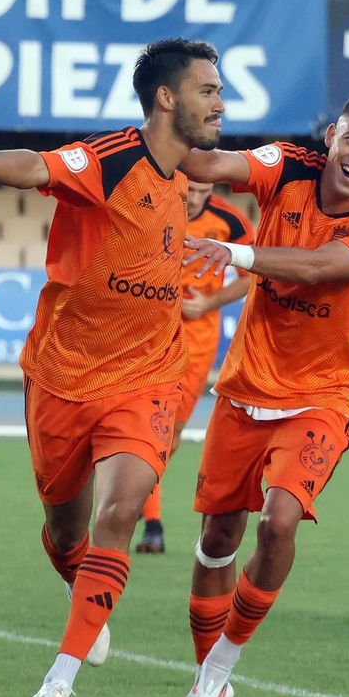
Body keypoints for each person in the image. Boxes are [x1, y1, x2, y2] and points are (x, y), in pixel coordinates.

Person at [0, 38, 220, 697]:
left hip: (149, 376)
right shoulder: (111, 158)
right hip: (62, 376)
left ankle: (56, 687)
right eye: (208, 90)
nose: (220, 102)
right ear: (165, 97)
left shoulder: (197, 175)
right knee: (66, 531)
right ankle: (79, 588)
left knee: (119, 515)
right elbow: (36, 166)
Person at [166, 92, 349, 697]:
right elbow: (210, 165)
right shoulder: (288, 166)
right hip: (245, 386)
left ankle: (220, 668)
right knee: (218, 539)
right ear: (333, 135)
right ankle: (204, 683)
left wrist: (238, 255)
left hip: (321, 395)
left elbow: (319, 267)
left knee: (278, 523)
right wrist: (165, 128)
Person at [134, 181, 254, 555]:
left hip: (197, 346)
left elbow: (254, 275)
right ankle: (152, 522)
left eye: (205, 190)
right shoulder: (153, 205)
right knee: (144, 430)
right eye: (192, 189)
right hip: (148, 336)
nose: (197, 198)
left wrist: (209, 304)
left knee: (166, 438)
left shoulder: (230, 221)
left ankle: (137, 492)